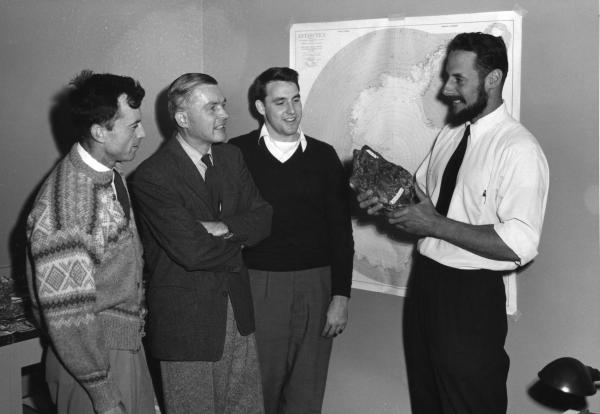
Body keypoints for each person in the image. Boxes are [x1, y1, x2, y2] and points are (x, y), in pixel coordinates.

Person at [357, 32, 549, 414]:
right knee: (427, 400)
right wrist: (384, 199)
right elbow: (421, 202)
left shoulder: (519, 149)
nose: (447, 89)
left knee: (470, 405)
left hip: (471, 297)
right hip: (427, 284)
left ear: (492, 80)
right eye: (448, 77)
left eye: (458, 79)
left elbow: (521, 245)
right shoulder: (450, 134)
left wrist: (435, 226)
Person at [129, 73, 272, 414]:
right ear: (182, 118)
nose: (224, 114)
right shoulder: (152, 176)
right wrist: (239, 237)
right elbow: (193, 252)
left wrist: (221, 227)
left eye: (223, 105)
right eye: (212, 108)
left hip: (238, 315)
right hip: (186, 327)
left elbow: (264, 217)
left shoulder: (231, 157)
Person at [27, 71, 154, 414]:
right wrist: (103, 392)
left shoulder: (109, 174)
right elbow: (69, 316)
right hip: (92, 363)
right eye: (133, 126)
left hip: (122, 347)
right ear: (100, 132)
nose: (142, 133)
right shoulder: (67, 207)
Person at [229, 67, 354, 414]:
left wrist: (340, 295)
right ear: (260, 107)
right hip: (258, 285)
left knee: (306, 392)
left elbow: (342, 232)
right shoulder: (235, 154)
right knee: (256, 390)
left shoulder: (324, 157)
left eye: (296, 99)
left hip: (317, 285)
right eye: (280, 101)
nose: (291, 110)